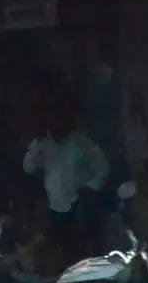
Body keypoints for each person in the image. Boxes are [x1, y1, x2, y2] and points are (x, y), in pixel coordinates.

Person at [22, 106, 108, 267]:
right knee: (60, 249)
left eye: (59, 121)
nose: (55, 125)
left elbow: (102, 166)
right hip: (55, 205)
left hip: (80, 204)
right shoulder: (43, 145)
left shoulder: (81, 143)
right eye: (52, 121)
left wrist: (91, 187)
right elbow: (28, 168)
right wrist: (36, 144)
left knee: (82, 248)